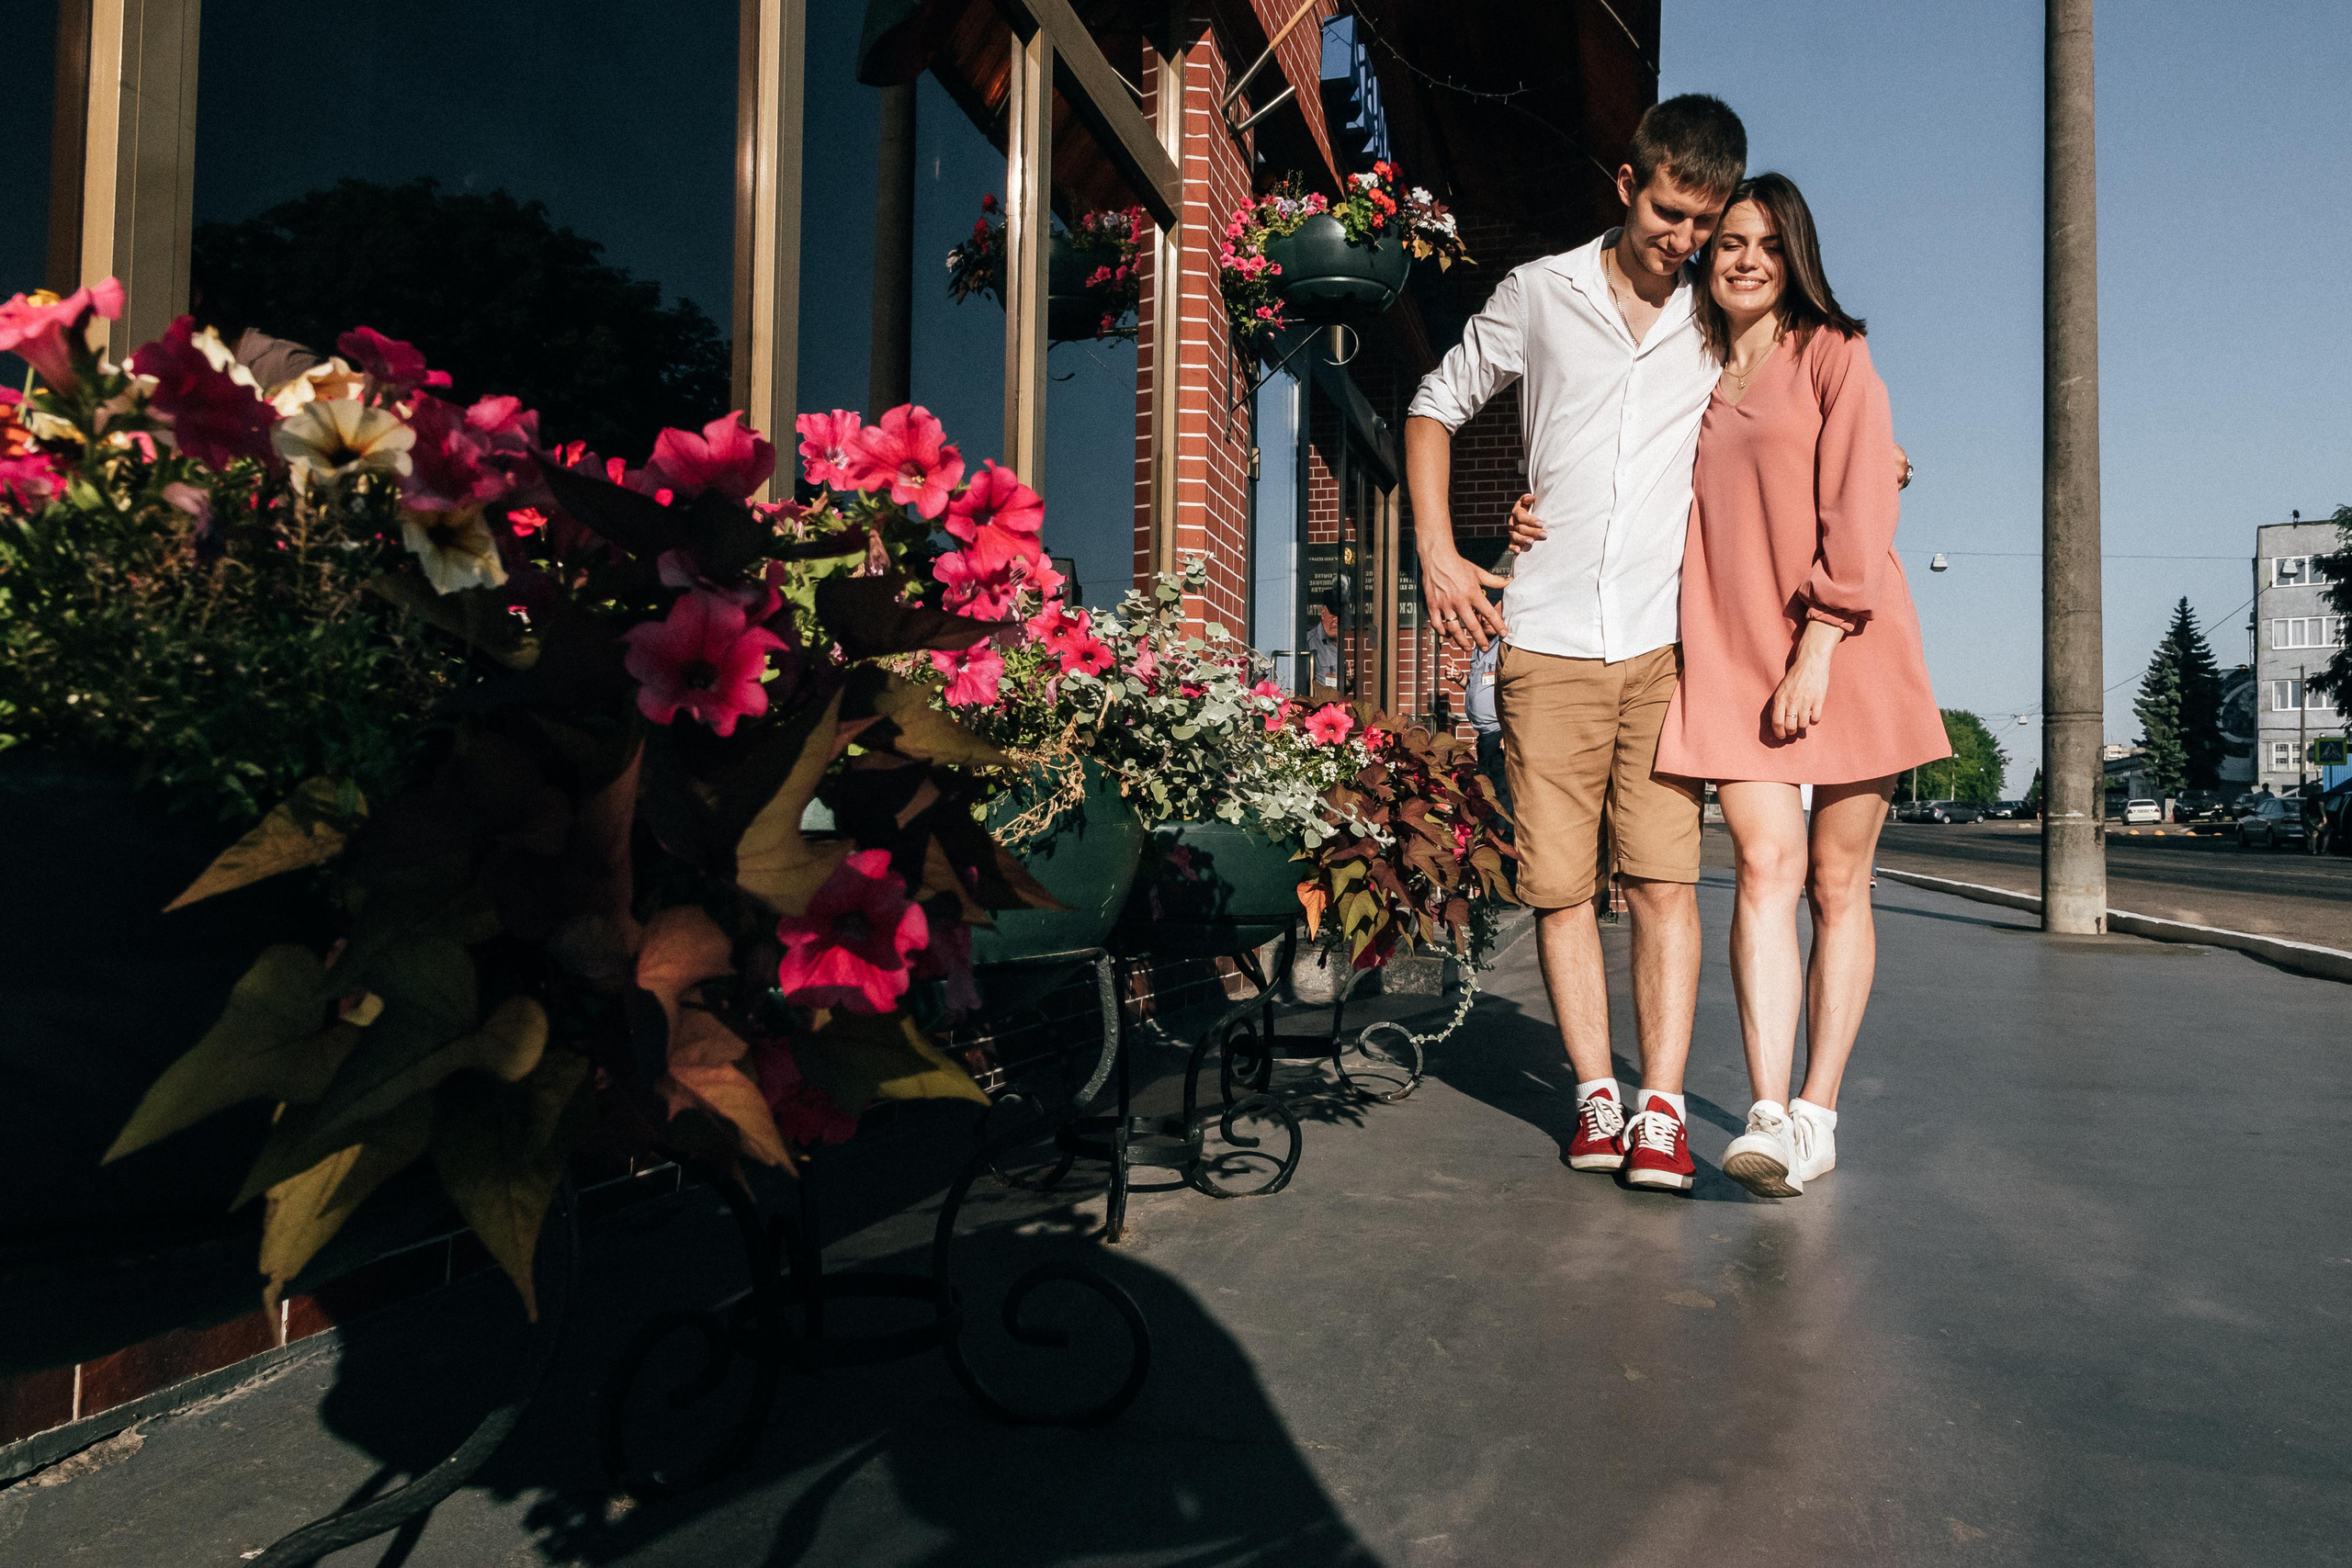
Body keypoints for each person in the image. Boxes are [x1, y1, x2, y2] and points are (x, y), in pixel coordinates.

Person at [1408, 94, 1749, 1194]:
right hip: (1546, 639)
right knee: (1558, 889)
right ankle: (1594, 1095)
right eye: (1668, 213)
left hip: (1663, 646)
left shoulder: (1718, 317)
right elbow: (1432, 403)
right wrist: (1441, 552)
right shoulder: (1540, 293)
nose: (1684, 242)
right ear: (1625, 182)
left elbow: (1801, 399)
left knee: (1661, 883)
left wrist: (1872, 453)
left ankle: (1661, 1112)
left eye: (1704, 222)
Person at [1642, 172, 1947, 1198]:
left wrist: (1818, 643)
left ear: (1794, 258)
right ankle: (1767, 1111)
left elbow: (1862, 504)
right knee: (1763, 875)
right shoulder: (1684, 367)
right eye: (1729, 241)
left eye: (1767, 245)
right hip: (1730, 656)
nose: (1744, 260)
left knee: (1835, 883)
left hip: (1847, 644)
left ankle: (1818, 1110)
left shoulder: (1833, 355)